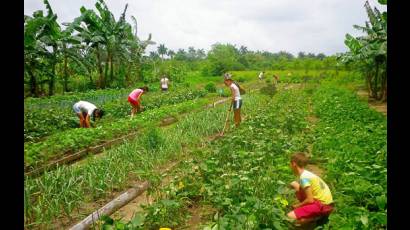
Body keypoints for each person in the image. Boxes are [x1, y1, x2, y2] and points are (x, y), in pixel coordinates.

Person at [287, 152, 334, 225]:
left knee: (289, 217)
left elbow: (310, 200)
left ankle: (316, 218)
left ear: (294, 164)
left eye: (290, 164)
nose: (289, 166)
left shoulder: (304, 178)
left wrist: (297, 206)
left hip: (322, 206)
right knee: (294, 184)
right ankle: (311, 213)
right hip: (326, 202)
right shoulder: (306, 173)